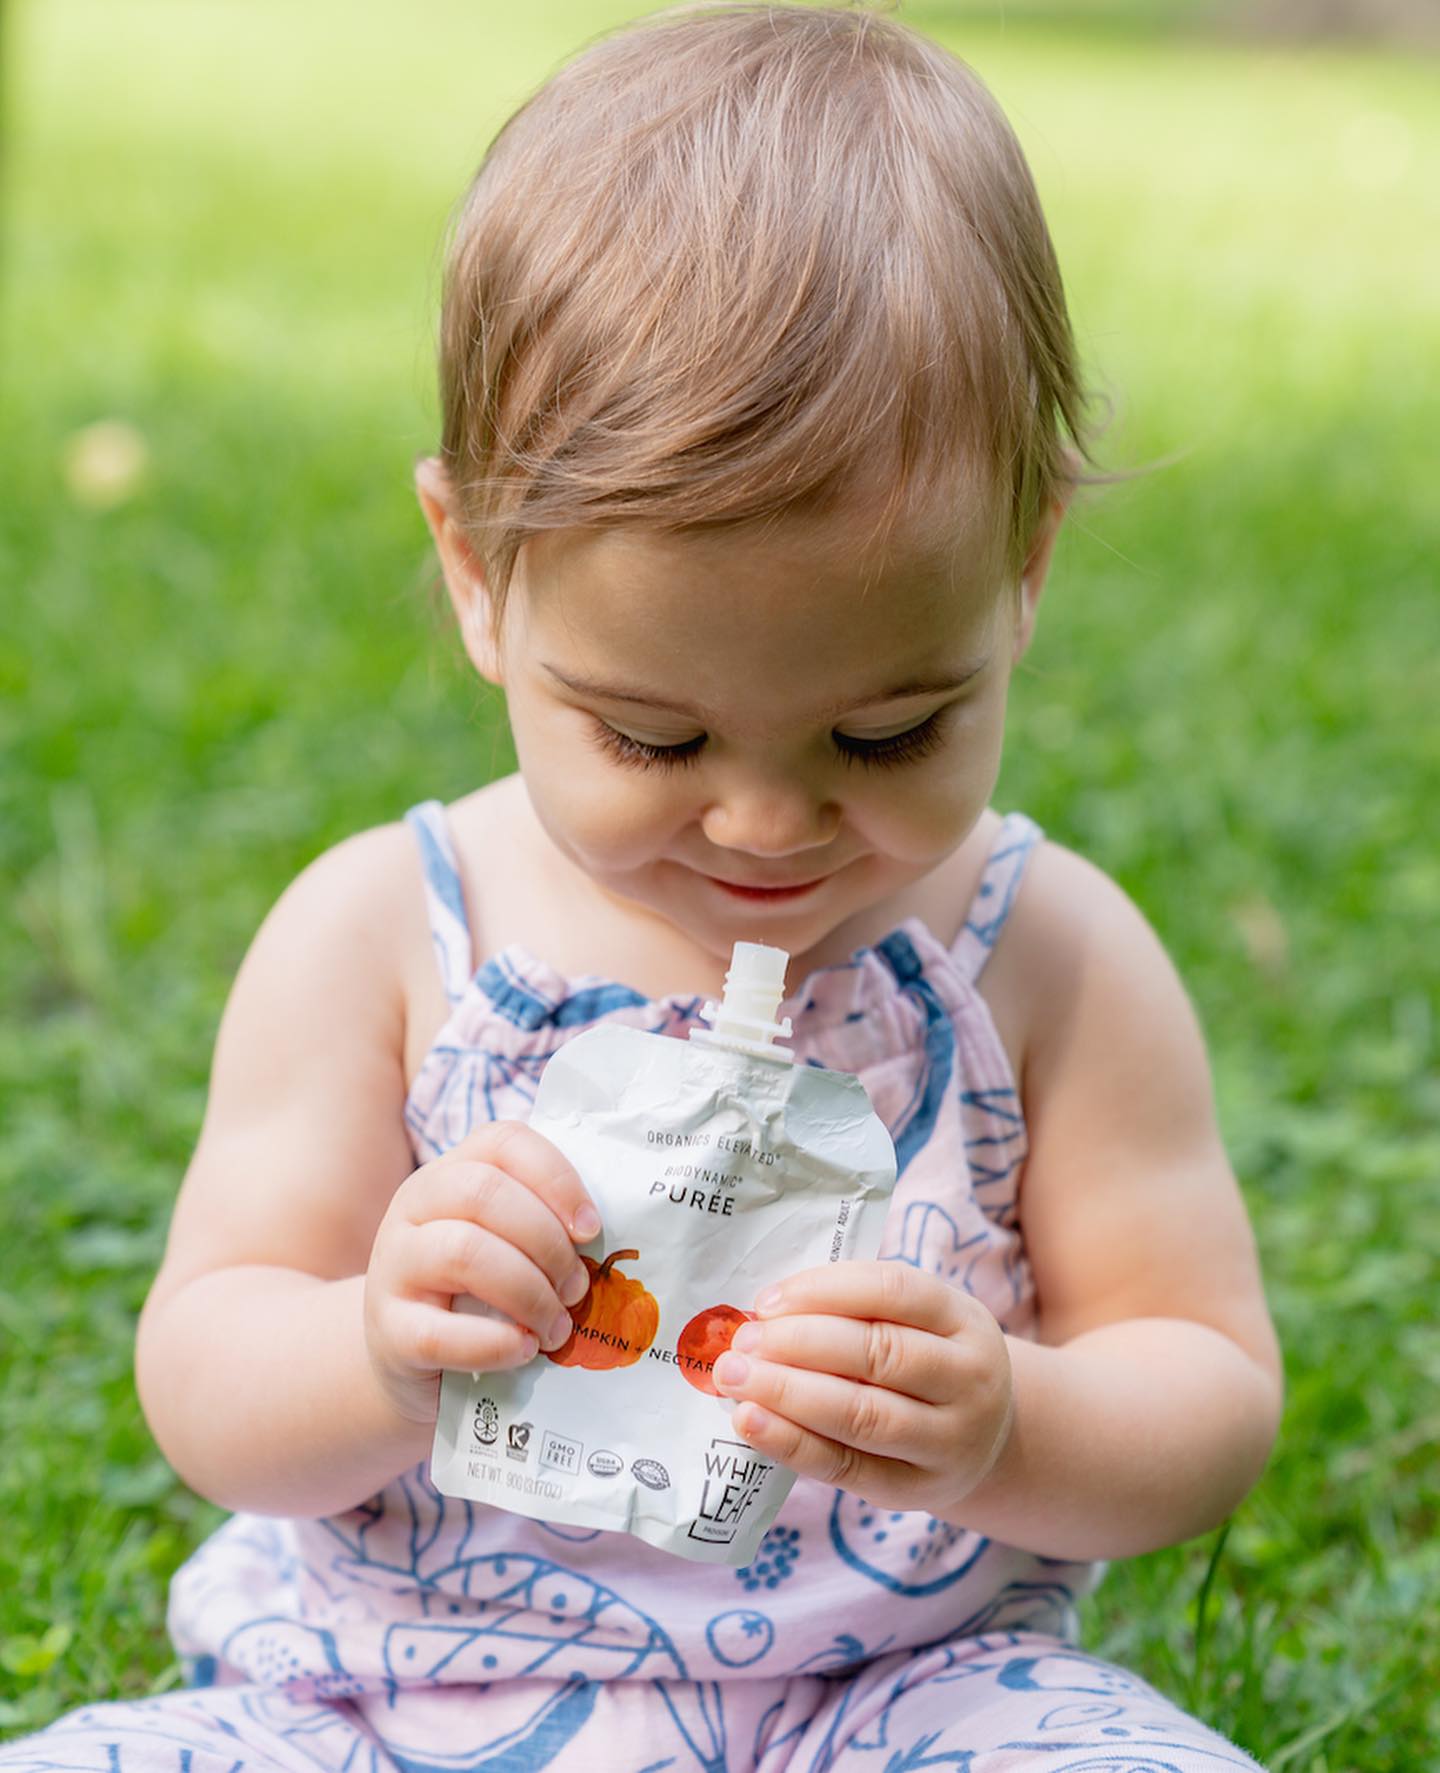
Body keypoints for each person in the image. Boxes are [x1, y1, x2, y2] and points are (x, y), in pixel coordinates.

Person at [1, 3, 1283, 1769]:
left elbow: (1205, 1386)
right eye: (654, 739)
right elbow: (210, 1377)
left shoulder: (1039, 956)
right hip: (384, 1703)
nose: (768, 827)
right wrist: (380, 1346)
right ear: (478, 578)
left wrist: (1014, 1417)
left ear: (1025, 565)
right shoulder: (388, 933)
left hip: (891, 1704)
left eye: (891, 731)